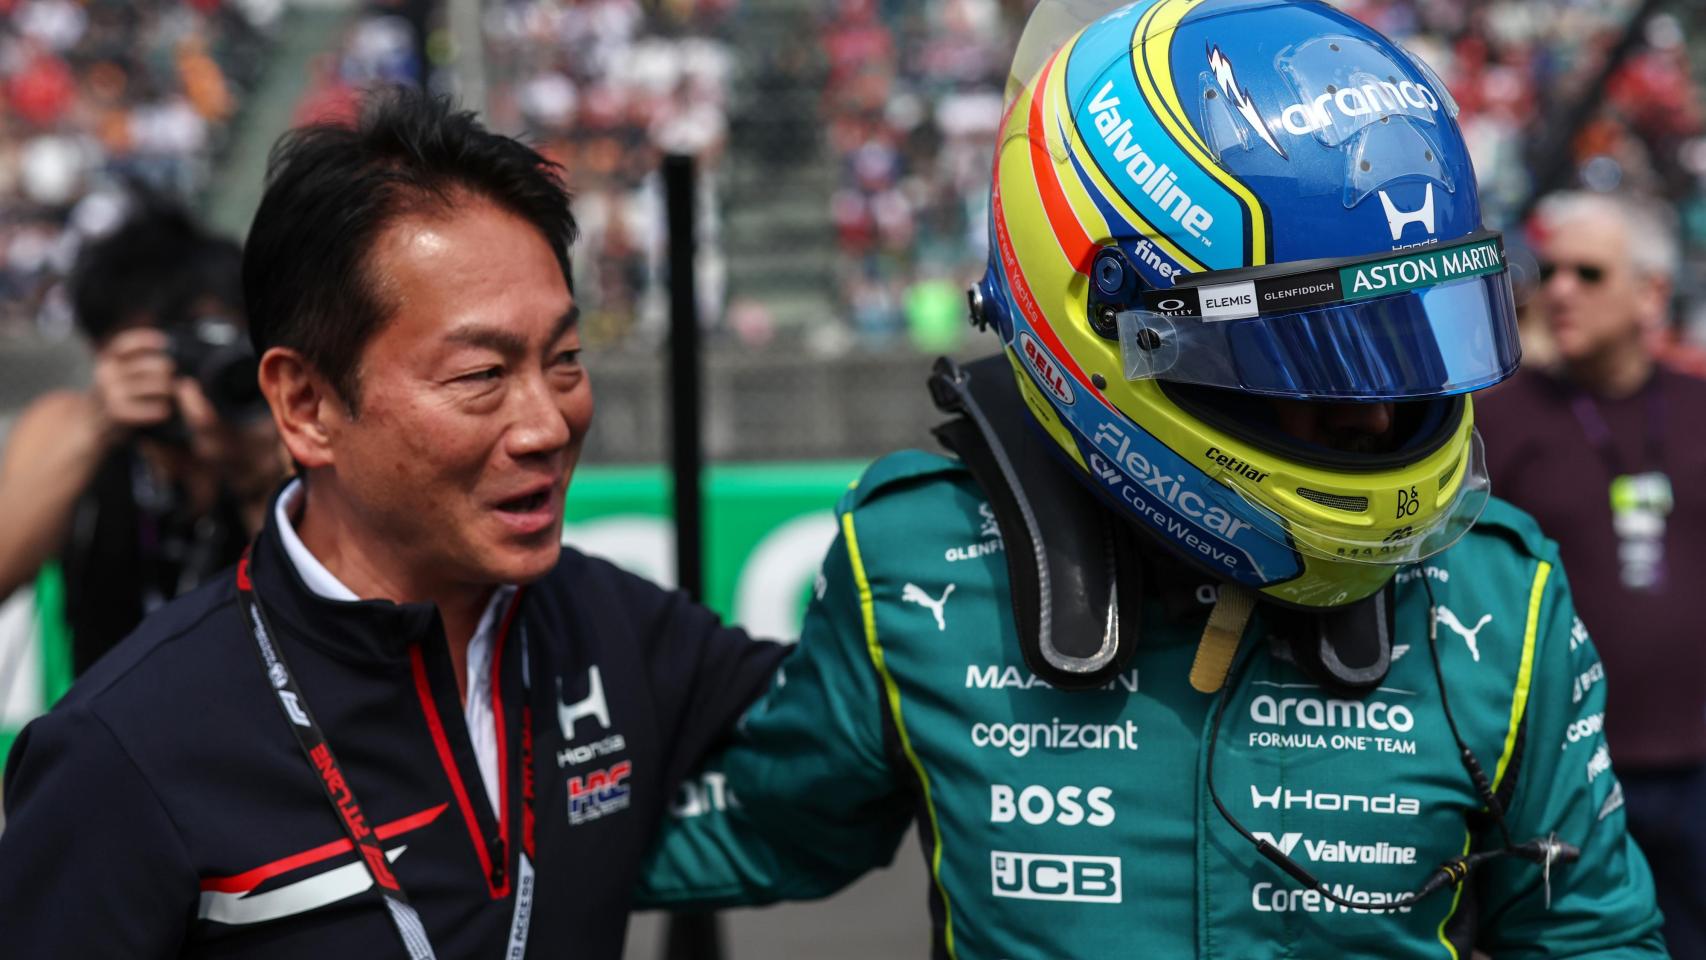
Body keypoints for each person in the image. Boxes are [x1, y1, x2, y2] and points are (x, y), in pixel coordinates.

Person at [637, 1, 1664, 955]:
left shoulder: (1499, 596)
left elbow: (1596, 940)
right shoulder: (914, 562)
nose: (1376, 414)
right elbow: (761, 831)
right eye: (1310, 362)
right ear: (1109, 333)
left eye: (1409, 343)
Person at [0, 88, 784, 958]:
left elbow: (855, 733)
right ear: (304, 404)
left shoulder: (617, 629)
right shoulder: (120, 751)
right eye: (481, 373)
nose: (547, 424)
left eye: (564, 359)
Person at [1476, 189, 1706, 957]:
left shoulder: (1698, 406)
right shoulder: (1499, 420)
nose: (1560, 289)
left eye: (1589, 272)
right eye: (1550, 270)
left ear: (1650, 293)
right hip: (1566, 774)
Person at [0, 198, 286, 675]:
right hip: (104, 732)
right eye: (165, 351)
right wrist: (96, 425)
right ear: (103, 351)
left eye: (207, 344)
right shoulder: (72, 429)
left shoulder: (279, 433)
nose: (184, 378)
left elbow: (321, 611)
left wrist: (255, 476)